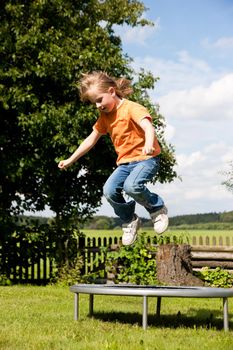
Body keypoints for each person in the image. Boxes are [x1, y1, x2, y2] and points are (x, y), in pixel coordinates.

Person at [58, 71, 168, 245]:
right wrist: (71, 159)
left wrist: (148, 143)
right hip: (125, 164)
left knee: (131, 186)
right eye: (95, 102)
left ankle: (157, 209)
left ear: (111, 91)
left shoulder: (132, 108)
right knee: (109, 191)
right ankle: (130, 220)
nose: (98, 106)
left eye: (100, 100)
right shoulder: (105, 117)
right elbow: (91, 139)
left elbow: (148, 126)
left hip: (146, 159)